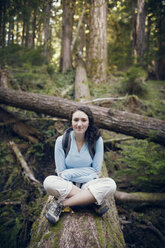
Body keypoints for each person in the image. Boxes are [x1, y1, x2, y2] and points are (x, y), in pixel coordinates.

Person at [43, 106, 116, 225]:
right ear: (71, 121)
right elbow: (61, 173)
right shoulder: (62, 141)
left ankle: (62, 204)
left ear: (89, 122)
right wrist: (86, 172)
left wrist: (70, 173)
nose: (79, 124)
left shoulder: (97, 141)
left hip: (88, 185)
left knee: (111, 185)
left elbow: (96, 172)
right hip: (69, 186)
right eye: (76, 120)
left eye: (83, 120)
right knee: (48, 182)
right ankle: (90, 200)